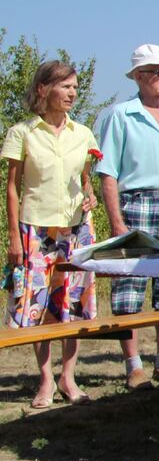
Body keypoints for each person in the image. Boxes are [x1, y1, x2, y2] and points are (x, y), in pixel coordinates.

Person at [94, 44, 159, 389]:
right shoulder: (120, 115)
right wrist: (116, 222)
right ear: (140, 77)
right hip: (136, 202)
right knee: (130, 285)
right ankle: (133, 363)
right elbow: (107, 172)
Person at [4, 61, 100, 408]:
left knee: (71, 305)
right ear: (44, 89)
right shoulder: (22, 133)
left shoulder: (83, 133)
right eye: (65, 87)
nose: (73, 93)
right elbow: (13, 188)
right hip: (36, 230)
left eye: (75, 87)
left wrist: (90, 195)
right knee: (39, 307)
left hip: (76, 230)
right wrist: (13, 238)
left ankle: (68, 378)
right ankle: (45, 380)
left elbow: (85, 179)